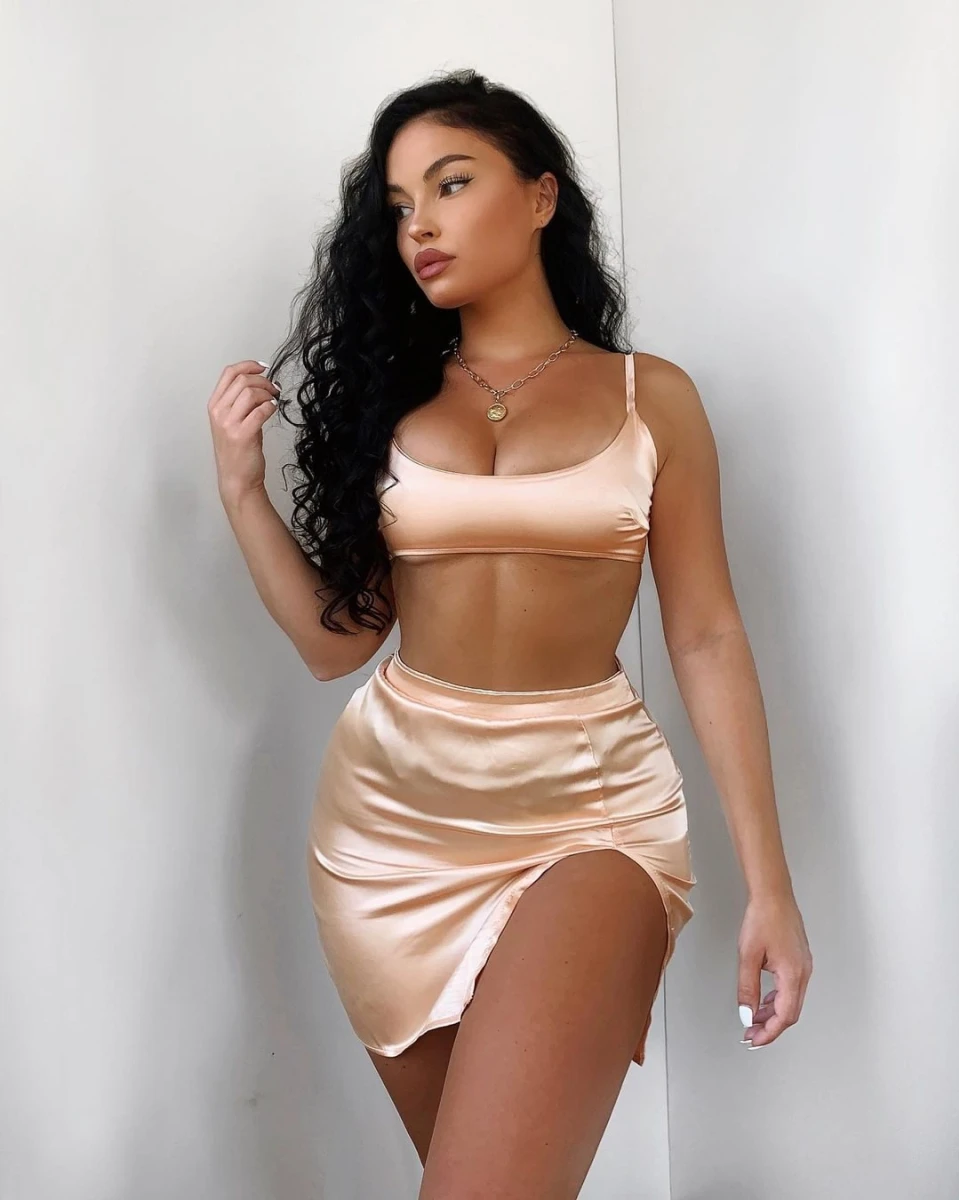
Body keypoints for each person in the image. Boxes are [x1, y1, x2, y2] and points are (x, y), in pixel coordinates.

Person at [207, 68, 812, 1199]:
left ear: (540, 197)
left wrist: (770, 886)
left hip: (590, 812)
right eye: (399, 205)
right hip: (389, 830)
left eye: (451, 184)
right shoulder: (394, 405)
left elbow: (706, 638)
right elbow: (338, 645)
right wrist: (243, 491)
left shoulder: (651, 399)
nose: (419, 226)